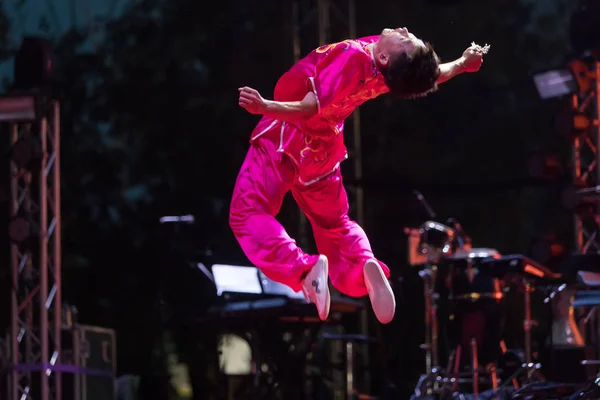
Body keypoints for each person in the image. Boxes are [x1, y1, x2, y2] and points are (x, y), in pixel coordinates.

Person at [229, 27, 488, 324]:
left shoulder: (354, 58)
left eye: (405, 39)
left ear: (384, 56)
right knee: (335, 224)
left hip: (287, 137)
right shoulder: (391, 73)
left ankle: (302, 269)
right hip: (322, 151)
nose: (404, 30)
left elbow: (309, 108)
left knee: (247, 211)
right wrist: (462, 64)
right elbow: (428, 75)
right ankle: (364, 263)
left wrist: (266, 107)